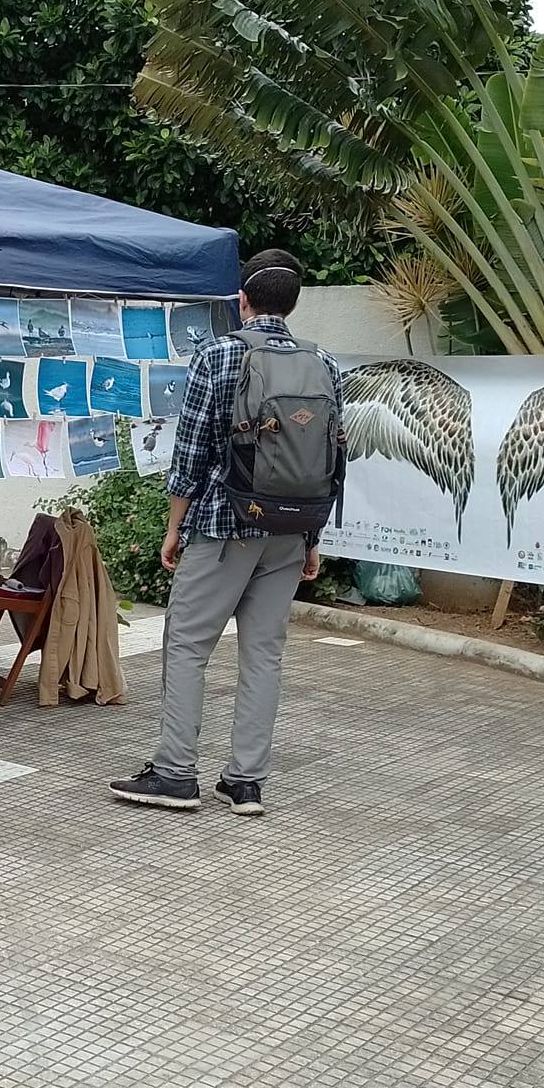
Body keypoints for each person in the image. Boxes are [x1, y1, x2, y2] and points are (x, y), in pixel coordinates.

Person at [110, 250, 344, 819]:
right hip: (291, 529)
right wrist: (312, 538)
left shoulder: (217, 355)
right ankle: (245, 783)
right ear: (291, 305)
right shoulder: (325, 364)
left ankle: (173, 771)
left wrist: (174, 526)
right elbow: (329, 457)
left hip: (224, 524)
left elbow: (189, 453)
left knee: (188, 645)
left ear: (242, 300)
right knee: (264, 655)